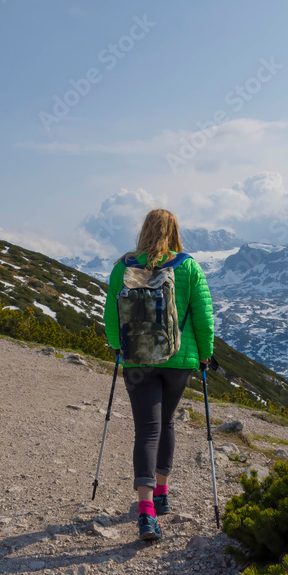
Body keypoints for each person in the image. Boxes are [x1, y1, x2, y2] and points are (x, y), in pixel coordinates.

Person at [103, 208, 214, 541]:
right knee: (165, 423)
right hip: (178, 361)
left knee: (147, 428)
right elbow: (204, 317)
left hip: (138, 360)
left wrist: (117, 347)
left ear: (144, 230)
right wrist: (205, 355)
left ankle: (147, 512)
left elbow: (111, 313)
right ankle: (162, 493)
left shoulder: (123, 266)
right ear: (175, 230)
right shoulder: (188, 266)